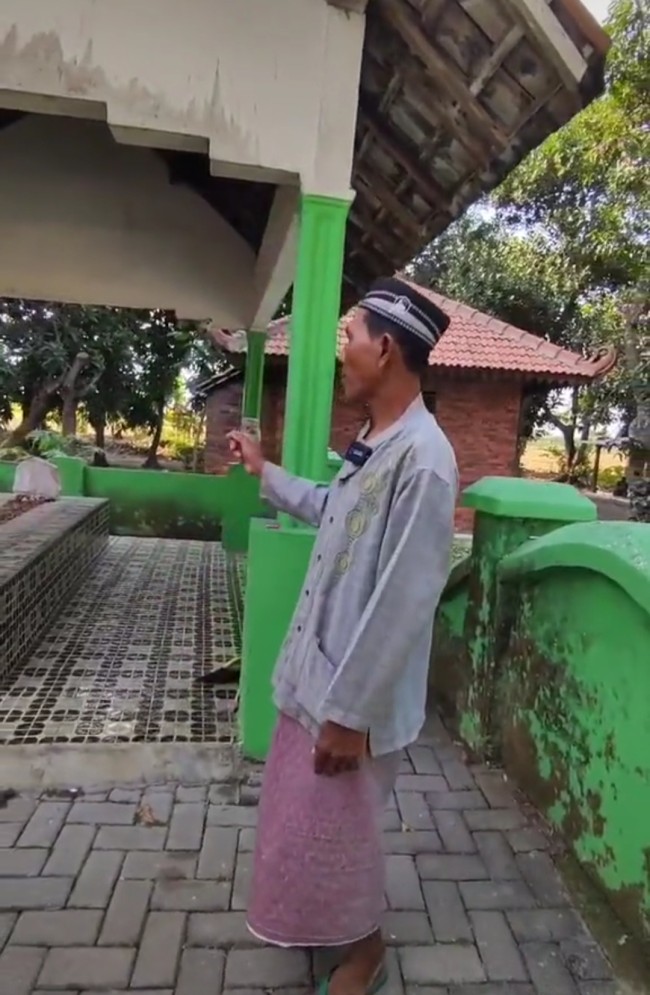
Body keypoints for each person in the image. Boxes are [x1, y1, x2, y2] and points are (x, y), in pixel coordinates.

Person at [229, 276, 458, 995]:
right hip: (317, 676)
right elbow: (334, 507)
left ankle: (366, 949)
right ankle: (327, 929)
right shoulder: (376, 438)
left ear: (385, 349)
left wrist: (349, 716)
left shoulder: (425, 460)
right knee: (308, 825)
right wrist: (267, 473)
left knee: (342, 834)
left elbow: (404, 601)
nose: (342, 353)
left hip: (349, 701)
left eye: (348, 338)